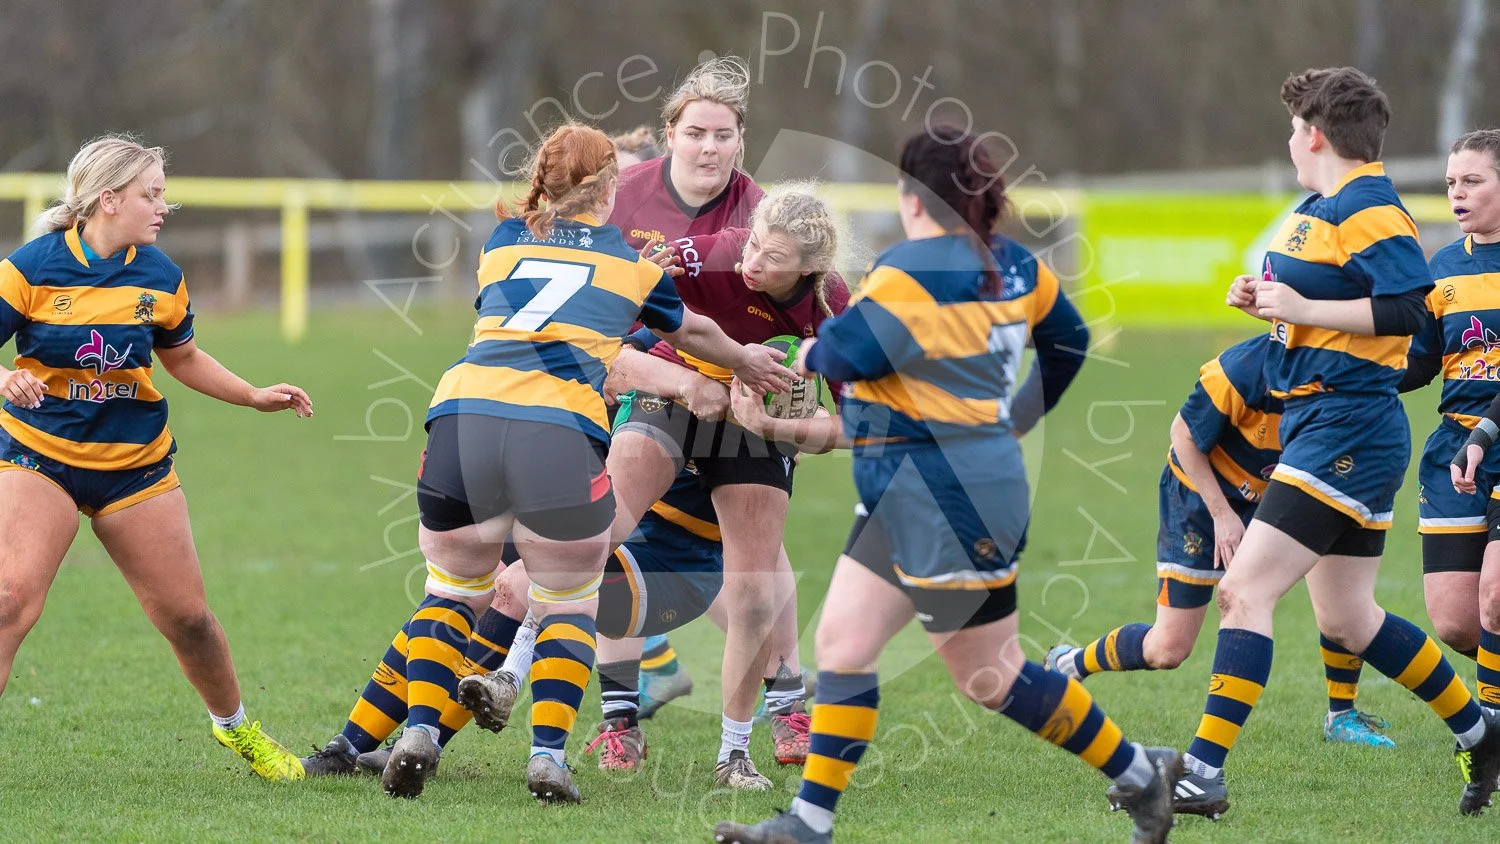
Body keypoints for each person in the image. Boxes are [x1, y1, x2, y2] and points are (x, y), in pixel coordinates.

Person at [714, 125, 1183, 844]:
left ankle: (1143, 776)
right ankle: (809, 822)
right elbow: (1070, 339)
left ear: (911, 196)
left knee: (990, 676)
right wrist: (1018, 416)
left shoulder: (910, 269)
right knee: (842, 642)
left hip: (947, 497)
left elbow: (854, 351)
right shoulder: (1018, 265)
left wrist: (804, 350)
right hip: (917, 488)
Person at [375, 122, 789, 801]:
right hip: (556, 428)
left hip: (462, 416)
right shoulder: (633, 265)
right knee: (567, 597)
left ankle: (419, 730)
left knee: (450, 592)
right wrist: (742, 361)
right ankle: (547, 757)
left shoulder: (503, 241)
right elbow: (691, 332)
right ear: (612, 187)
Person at [1190, 67, 1499, 817]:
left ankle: (1202, 773)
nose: (1292, 142)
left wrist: (1298, 303)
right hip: (1319, 420)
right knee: (1350, 621)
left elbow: (1404, 310)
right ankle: (1482, 731)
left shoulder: (1371, 207)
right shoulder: (1316, 207)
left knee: (1244, 591)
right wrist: (1267, 303)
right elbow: (1318, 302)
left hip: (1347, 424)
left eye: (1295, 130)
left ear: (1316, 134)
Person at [0, 134, 312, 780]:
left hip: (135, 466)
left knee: (189, 620)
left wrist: (253, 396)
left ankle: (238, 731)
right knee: (8, 598)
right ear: (108, 200)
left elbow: (184, 359)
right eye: (152, 194)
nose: (163, 206)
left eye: (163, 193)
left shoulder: (160, 275)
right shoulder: (30, 268)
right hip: (40, 456)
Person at [300, 340, 732, 778]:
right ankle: (352, 746)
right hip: (604, 536)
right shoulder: (638, 338)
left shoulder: (728, 369)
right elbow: (614, 369)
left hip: (669, 566)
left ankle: (449, 735)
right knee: (462, 584)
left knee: (516, 584)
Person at [1045, 335, 1395, 760]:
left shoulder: (1342, 369)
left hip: (1278, 495)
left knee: (1336, 590)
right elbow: (1182, 435)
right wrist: (1222, 515)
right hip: (1201, 498)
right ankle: (1070, 663)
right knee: (1168, 648)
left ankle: (1342, 715)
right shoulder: (1242, 368)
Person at [609, 184, 848, 787]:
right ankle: (522, 665)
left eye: (773, 258)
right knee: (597, 532)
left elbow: (864, 426)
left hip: (756, 422)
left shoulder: (834, 305)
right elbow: (613, 318)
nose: (753, 263)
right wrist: (641, 294)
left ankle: (734, 754)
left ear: (811, 268)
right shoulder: (715, 252)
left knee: (753, 591)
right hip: (677, 388)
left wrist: (781, 425)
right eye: (755, 245)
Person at [608, 57, 817, 737]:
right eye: (696, 132)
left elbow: (801, 324)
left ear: (740, 142)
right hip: (646, 375)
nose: (709, 147)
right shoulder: (625, 194)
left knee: (758, 551)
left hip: (743, 395)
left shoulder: (763, 214)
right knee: (607, 525)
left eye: (723, 135)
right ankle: (614, 714)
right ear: (669, 133)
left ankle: (786, 701)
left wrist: (793, 412)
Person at [1404, 128, 1500, 782]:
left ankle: (1491, 739)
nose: (1456, 193)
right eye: (1450, 182)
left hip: (1493, 442)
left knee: (1497, 600)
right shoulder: (1440, 270)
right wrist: (1338, 368)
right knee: (1459, 623)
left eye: (1472, 181)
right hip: (1452, 453)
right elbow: (1415, 366)